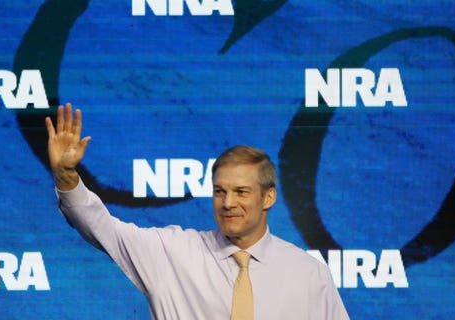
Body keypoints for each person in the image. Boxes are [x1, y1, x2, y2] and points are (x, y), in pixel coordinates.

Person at [46, 103, 350, 319]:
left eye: (241, 192)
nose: (228, 202)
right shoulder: (170, 253)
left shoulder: (308, 274)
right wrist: (66, 176)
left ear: (268, 197)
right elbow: (97, 225)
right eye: (220, 191)